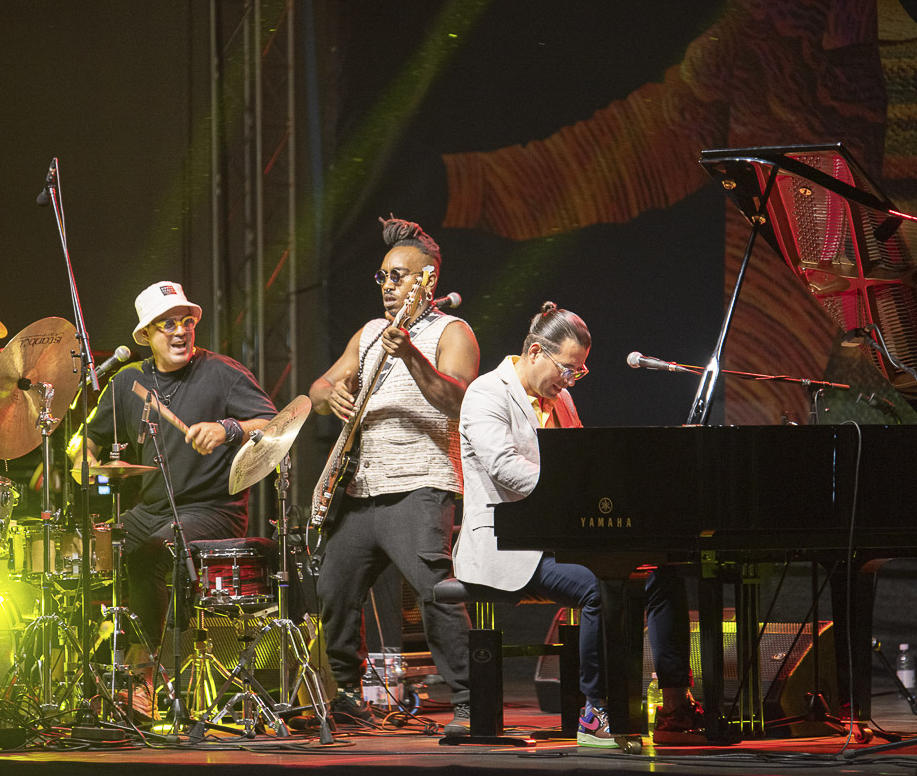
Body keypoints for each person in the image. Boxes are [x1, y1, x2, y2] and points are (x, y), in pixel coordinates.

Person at [454, 301, 705, 747]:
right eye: (567, 369)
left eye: (578, 372)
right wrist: (572, 493)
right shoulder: (486, 393)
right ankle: (595, 709)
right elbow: (504, 467)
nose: (570, 380)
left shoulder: (562, 400)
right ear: (535, 352)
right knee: (597, 586)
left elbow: (583, 463)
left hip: (556, 538)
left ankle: (675, 703)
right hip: (506, 544)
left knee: (661, 573)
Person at [309, 216, 479, 735]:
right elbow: (318, 388)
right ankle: (345, 696)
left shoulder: (452, 331)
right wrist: (331, 395)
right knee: (334, 590)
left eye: (398, 276)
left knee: (436, 592)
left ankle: (472, 701)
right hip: (362, 489)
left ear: (428, 280)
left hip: (420, 486)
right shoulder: (369, 334)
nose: (387, 286)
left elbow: (458, 400)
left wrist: (410, 356)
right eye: (382, 276)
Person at [75, 281, 277, 709]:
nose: (181, 331)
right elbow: (87, 441)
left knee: (150, 553)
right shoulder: (127, 381)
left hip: (214, 509)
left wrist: (229, 429)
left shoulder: (223, 372)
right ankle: (83, 674)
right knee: (88, 552)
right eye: (167, 324)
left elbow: (275, 424)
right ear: (146, 334)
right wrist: (84, 459)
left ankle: (146, 676)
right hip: (151, 510)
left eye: (186, 321)